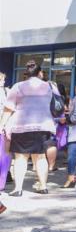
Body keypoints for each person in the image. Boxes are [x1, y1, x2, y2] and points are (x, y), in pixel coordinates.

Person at [0, 61, 57, 196]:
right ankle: (43, 186)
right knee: (41, 157)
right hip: (43, 126)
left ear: (26, 73)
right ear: (40, 73)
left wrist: (2, 125)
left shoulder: (18, 86)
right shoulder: (49, 86)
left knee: (21, 157)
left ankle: (18, 189)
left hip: (22, 126)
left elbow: (8, 109)